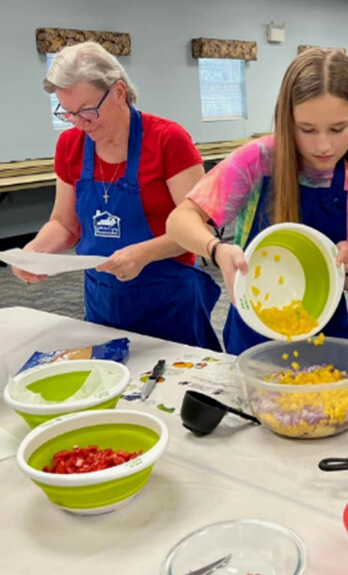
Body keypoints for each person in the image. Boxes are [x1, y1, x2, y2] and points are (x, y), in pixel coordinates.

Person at [166, 48, 348, 354]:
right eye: (306, 129)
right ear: (287, 117)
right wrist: (217, 250)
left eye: (338, 129)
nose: (323, 145)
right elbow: (179, 222)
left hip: (326, 337)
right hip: (254, 336)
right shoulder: (258, 161)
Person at [12, 41, 221, 350]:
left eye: (88, 111)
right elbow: (64, 223)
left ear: (119, 92)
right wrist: (33, 254)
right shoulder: (70, 146)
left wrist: (144, 254)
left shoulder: (168, 139)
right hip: (104, 299)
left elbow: (201, 229)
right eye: (68, 113)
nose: (81, 123)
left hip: (168, 296)